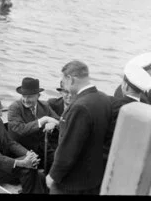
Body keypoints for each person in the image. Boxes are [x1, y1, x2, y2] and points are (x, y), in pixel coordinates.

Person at [46, 60, 112, 195]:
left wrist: (53, 175)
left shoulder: (79, 107)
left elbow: (69, 148)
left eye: (63, 81)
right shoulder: (103, 99)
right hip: (94, 178)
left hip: (72, 183)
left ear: (70, 79)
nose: (63, 85)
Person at [0, 89, 48, 194]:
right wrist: (21, 163)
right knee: (27, 168)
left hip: (1, 164)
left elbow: (10, 143)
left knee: (32, 163)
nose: (2, 106)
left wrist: (28, 153)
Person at [103, 63, 151, 169]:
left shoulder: (114, 105)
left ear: (125, 85)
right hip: (132, 160)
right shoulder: (147, 109)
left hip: (108, 158)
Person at [7, 77, 60, 174]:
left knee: (59, 162)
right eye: (24, 96)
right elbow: (20, 129)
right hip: (20, 150)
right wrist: (44, 120)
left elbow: (58, 120)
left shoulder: (44, 106)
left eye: (30, 96)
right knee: (30, 172)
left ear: (38, 96)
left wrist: (53, 123)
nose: (25, 100)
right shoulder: (15, 107)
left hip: (41, 148)